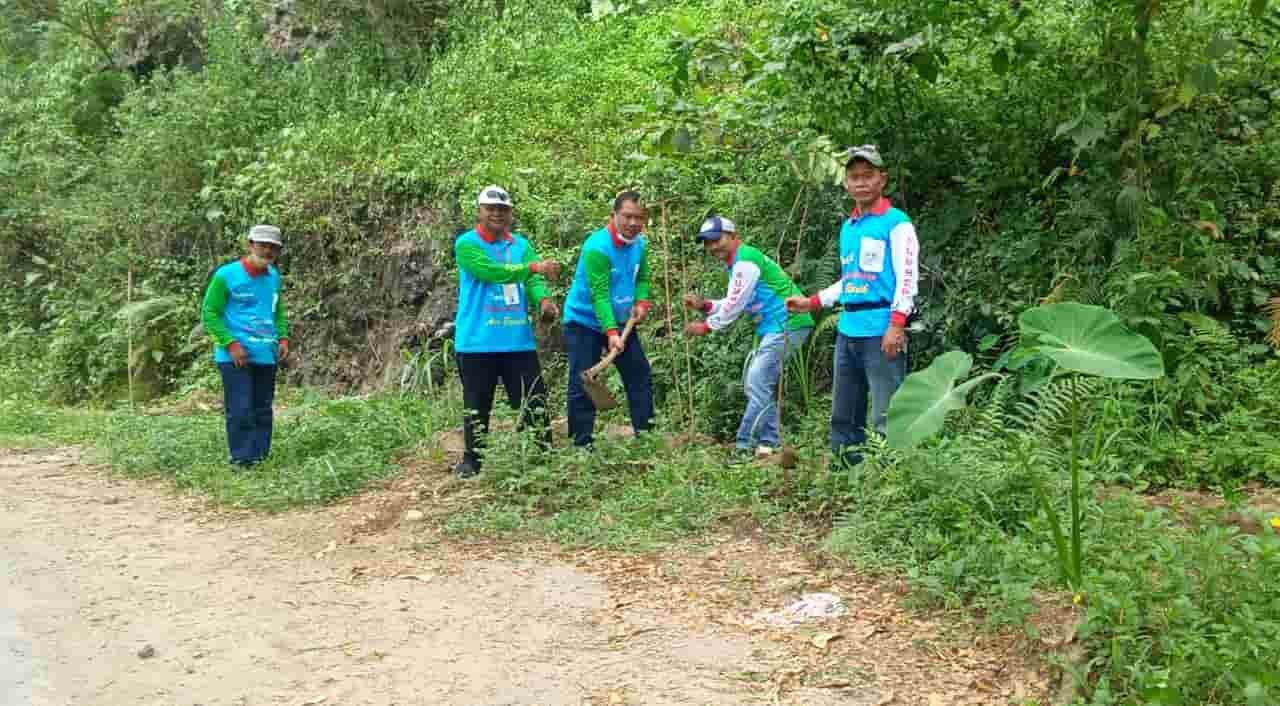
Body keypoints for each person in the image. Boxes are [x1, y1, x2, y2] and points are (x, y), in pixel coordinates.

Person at [785, 145, 919, 466]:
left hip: (881, 330)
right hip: (848, 330)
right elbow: (852, 279)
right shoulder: (850, 227)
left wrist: (897, 323)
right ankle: (846, 474)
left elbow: (908, 276)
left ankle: (890, 480)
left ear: (881, 180)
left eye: (867, 176)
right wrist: (812, 302)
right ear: (846, 183)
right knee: (844, 413)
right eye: (854, 177)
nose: (860, 183)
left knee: (887, 414)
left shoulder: (896, 223)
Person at [451, 185, 561, 478]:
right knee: (477, 404)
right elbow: (492, 272)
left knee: (533, 401)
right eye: (491, 208)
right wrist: (535, 268)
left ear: (510, 213)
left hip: (517, 341)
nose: (497, 214)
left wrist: (545, 300)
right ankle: (472, 462)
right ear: (480, 211)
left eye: (503, 209)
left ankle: (542, 458)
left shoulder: (521, 245)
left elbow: (533, 281)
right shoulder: (467, 244)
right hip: (476, 341)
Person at [683, 215, 815, 457]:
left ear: (733, 236)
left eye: (716, 240)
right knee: (755, 382)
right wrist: (704, 306)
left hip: (788, 323)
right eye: (707, 243)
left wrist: (706, 327)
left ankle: (744, 445)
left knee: (756, 380)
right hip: (773, 327)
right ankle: (769, 443)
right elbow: (734, 301)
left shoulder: (745, 262)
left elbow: (734, 305)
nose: (712, 247)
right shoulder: (737, 264)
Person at [562, 190, 654, 446]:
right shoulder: (597, 247)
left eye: (639, 218)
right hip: (584, 322)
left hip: (624, 321)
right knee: (583, 379)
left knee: (639, 375)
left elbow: (643, 279)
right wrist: (611, 333)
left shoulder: (639, 244)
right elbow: (599, 296)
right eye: (627, 216)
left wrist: (641, 302)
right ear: (614, 215)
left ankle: (646, 438)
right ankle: (581, 444)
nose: (634, 223)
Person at [201, 224, 290, 468]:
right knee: (240, 408)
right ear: (250, 244)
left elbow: (277, 310)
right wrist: (230, 344)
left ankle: (260, 457)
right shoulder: (226, 275)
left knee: (262, 408)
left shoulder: (273, 276)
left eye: (273, 247)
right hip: (235, 355)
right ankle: (241, 459)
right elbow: (209, 313)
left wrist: (283, 338)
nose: (268, 251)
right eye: (263, 245)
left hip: (266, 353)